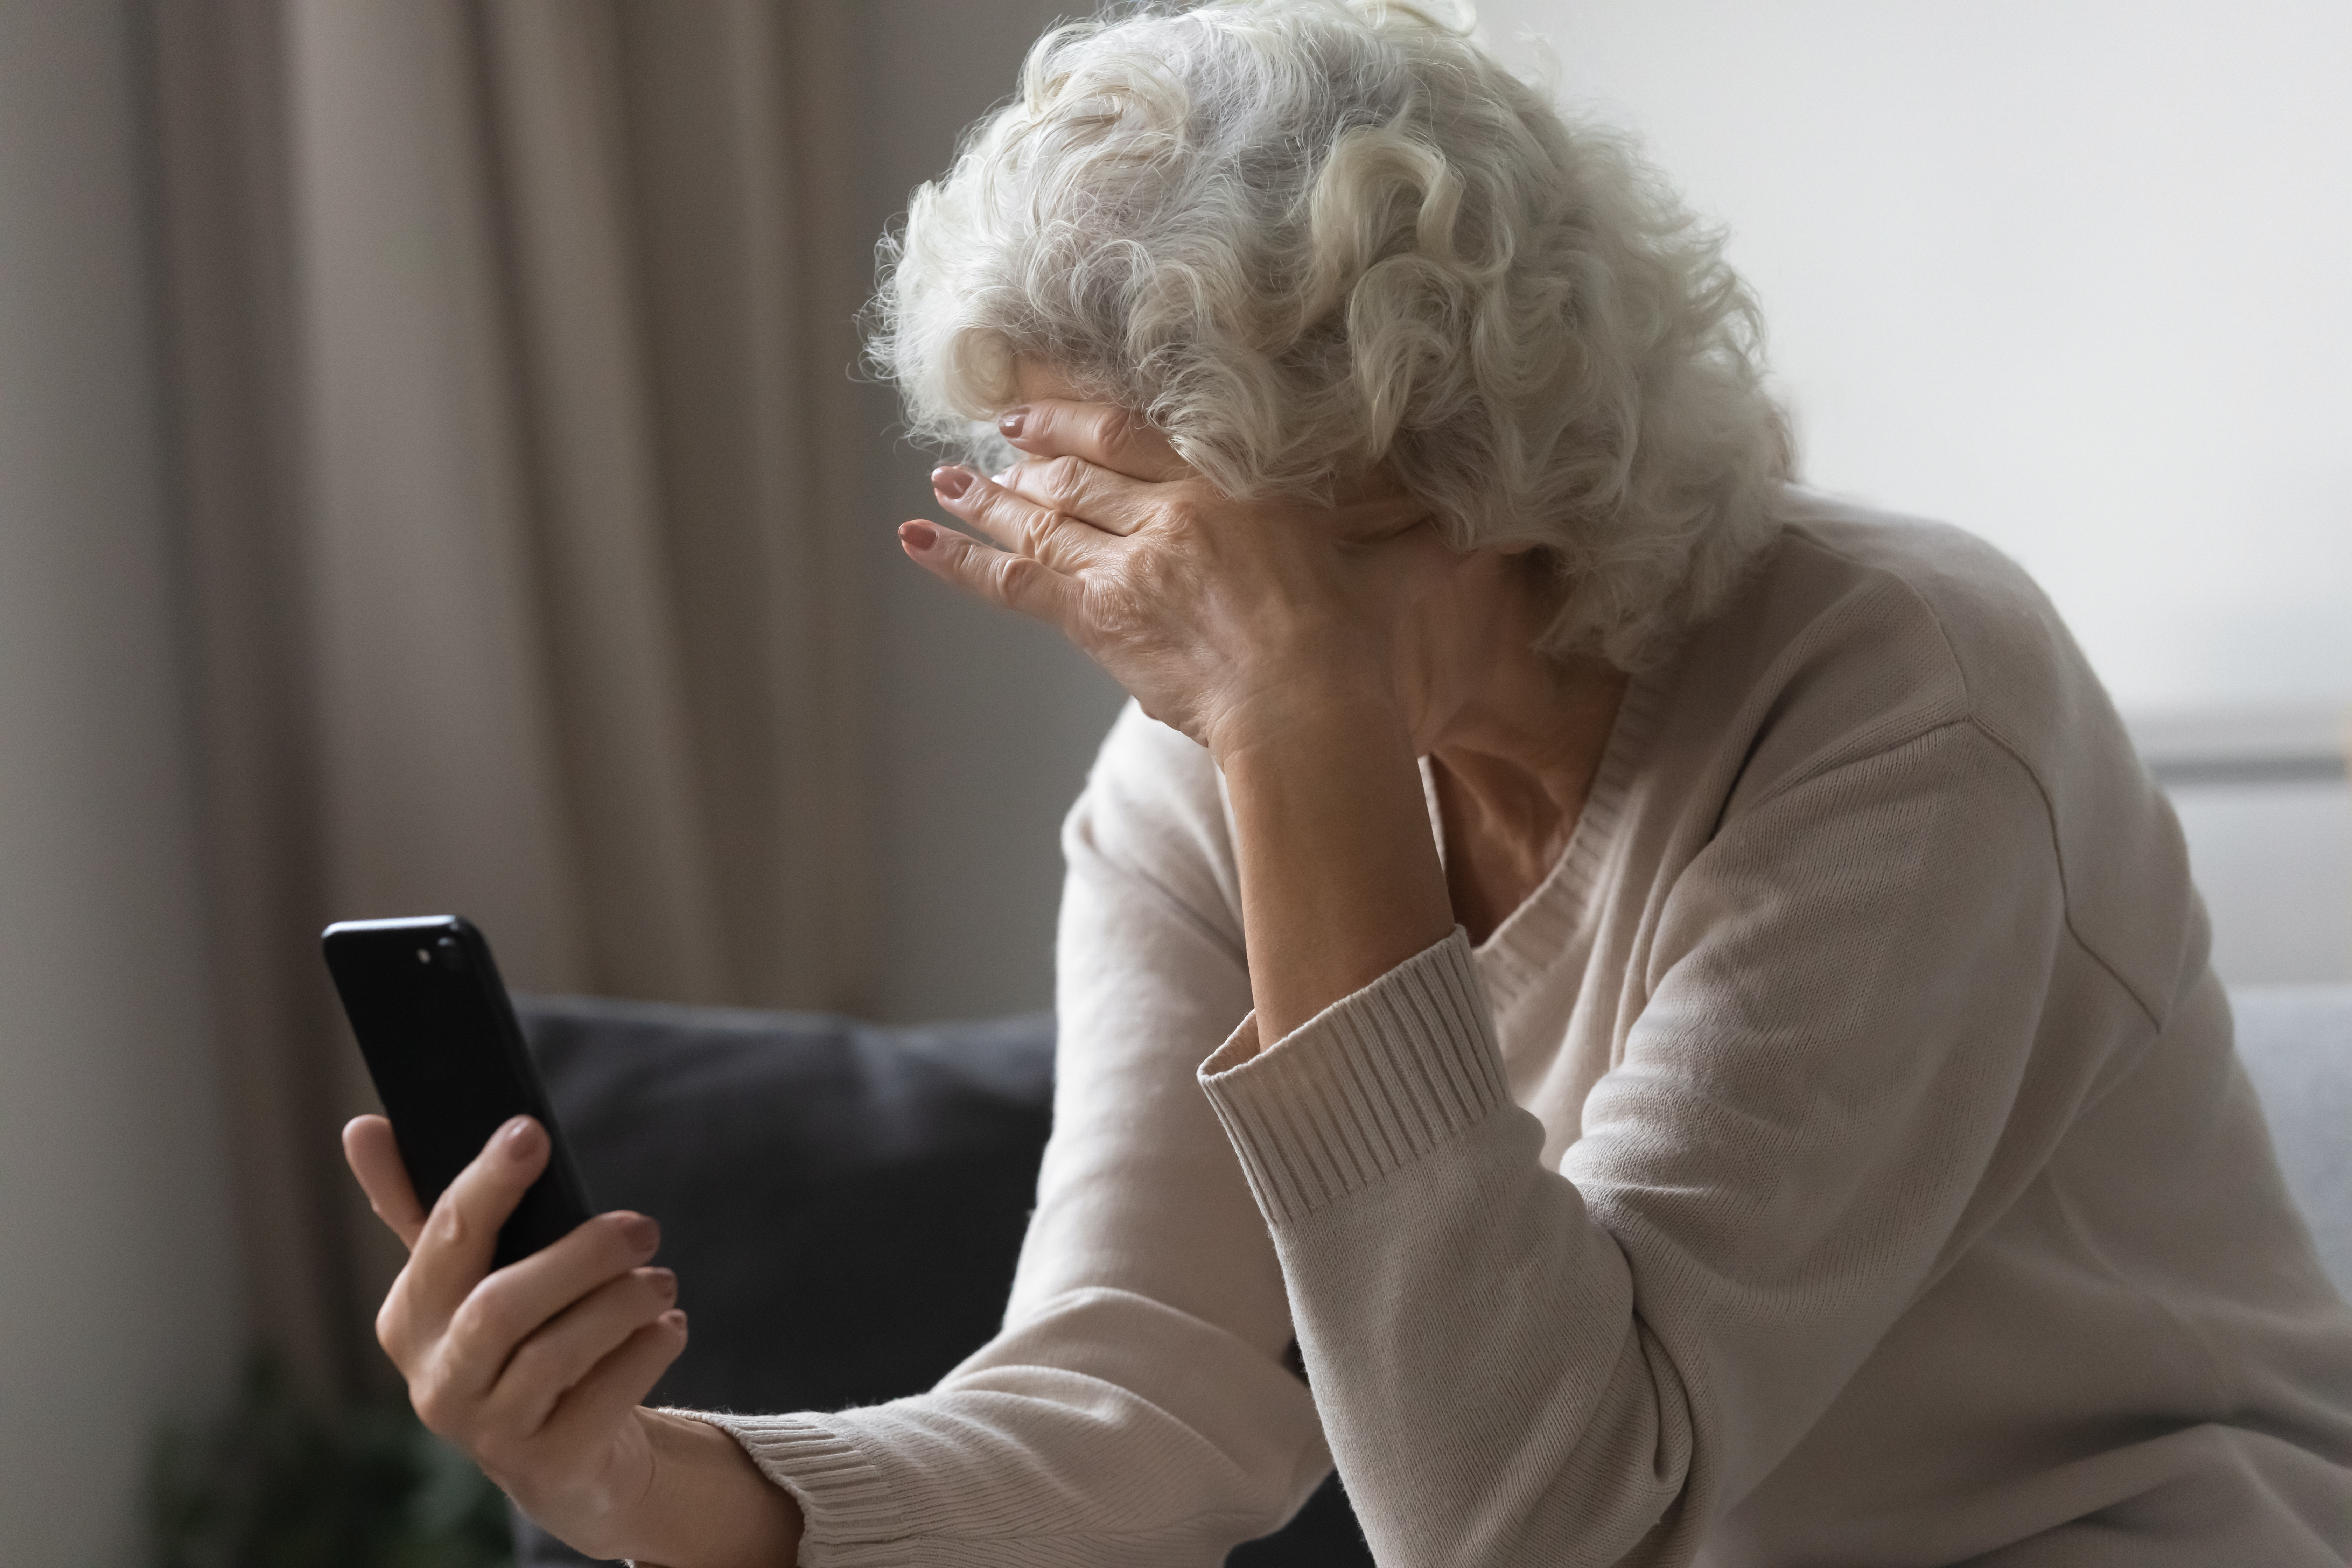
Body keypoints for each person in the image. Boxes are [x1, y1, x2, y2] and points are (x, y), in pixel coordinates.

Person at [341, 3, 2352, 1563]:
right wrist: (650, 1484)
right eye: (1058, 497)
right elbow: (1143, 1394)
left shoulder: (1904, 703)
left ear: (1452, 467)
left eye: (1154, 519)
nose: (1102, 591)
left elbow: (1538, 1518)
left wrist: (1298, 746)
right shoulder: (1192, 765)